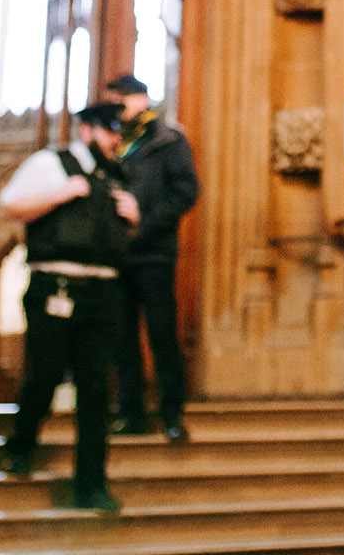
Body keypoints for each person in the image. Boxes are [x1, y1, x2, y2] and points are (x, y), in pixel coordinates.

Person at [0, 103, 137, 512]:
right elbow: (9, 206)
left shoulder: (117, 176)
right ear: (88, 129)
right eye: (111, 132)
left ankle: (91, 484)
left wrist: (134, 216)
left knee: (95, 389)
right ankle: (20, 445)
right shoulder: (51, 163)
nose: (116, 141)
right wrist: (60, 194)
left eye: (120, 134)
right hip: (55, 286)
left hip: (103, 292)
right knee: (44, 375)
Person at [105, 73, 199, 442]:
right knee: (122, 339)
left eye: (120, 102)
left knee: (162, 336)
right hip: (116, 255)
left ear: (139, 99)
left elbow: (186, 191)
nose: (117, 111)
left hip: (154, 254)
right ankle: (130, 412)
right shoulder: (113, 141)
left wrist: (143, 215)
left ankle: (172, 413)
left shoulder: (169, 140)